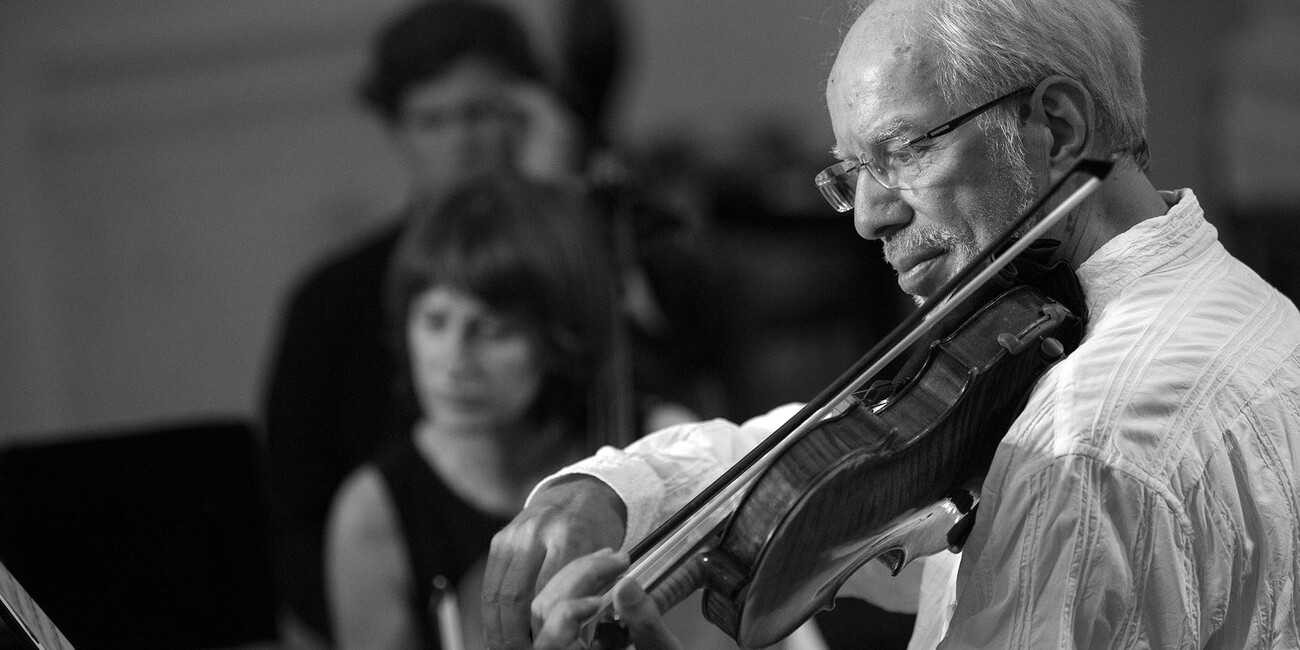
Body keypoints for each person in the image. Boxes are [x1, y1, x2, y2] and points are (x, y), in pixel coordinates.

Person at [481, 0, 1300, 648]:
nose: (868, 217)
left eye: (904, 151)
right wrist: (615, 491)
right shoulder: (1250, 316)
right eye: (851, 172)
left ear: (1058, 127)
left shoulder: (1081, 446)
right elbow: (861, 454)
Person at [262, 1, 583, 643]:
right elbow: (292, 525)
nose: (459, 142)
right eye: (431, 120)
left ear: (526, 114)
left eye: (480, 114)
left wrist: (557, 200)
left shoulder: (584, 258)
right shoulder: (330, 302)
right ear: (396, 129)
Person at [323, 176, 613, 649]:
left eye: (493, 330)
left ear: (558, 340)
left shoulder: (652, 445)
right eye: (434, 321)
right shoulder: (374, 513)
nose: (455, 362)